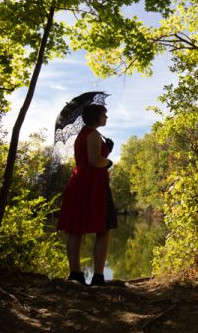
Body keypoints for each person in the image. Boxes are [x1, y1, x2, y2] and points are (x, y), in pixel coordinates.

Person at [56, 103, 118, 286]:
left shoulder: (87, 133)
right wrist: (109, 161)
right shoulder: (92, 134)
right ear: (96, 116)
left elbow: (90, 156)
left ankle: (76, 274)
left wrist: (106, 149)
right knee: (103, 228)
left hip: (80, 183)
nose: (106, 117)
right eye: (104, 114)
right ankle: (98, 276)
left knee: (76, 229)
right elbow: (95, 160)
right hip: (92, 185)